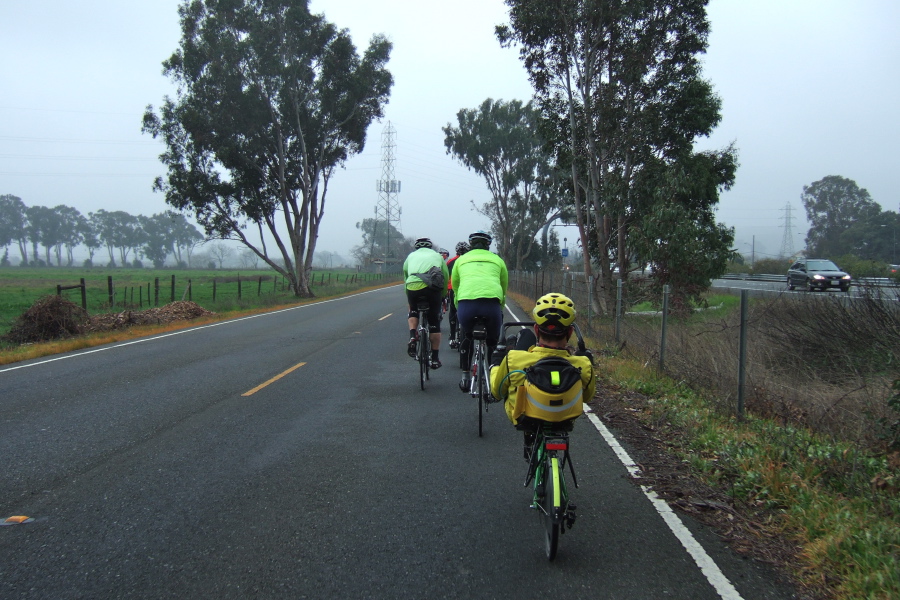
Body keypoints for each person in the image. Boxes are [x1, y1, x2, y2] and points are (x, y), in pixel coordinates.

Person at [489, 293, 595, 458]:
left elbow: (496, 392)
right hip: (564, 418)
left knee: (509, 382)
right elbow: (587, 397)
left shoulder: (514, 359)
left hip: (525, 417)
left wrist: (495, 364)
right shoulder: (583, 364)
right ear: (570, 332)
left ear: (537, 329)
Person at [451, 230, 508, 390]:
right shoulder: (498, 260)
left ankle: (465, 376)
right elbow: (503, 287)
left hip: (466, 305)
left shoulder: (461, 260)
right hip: (491, 305)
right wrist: (500, 306)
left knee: (465, 336)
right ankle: (493, 379)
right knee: (493, 341)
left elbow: (456, 286)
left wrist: (458, 304)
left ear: (471, 245)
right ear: (488, 246)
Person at [402, 237, 450, 369]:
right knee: (434, 320)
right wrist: (443, 294)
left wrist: (409, 293)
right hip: (432, 288)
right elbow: (445, 276)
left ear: (417, 247)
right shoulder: (437, 256)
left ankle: (413, 335)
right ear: (430, 247)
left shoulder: (410, 256)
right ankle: (434, 358)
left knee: (413, 310)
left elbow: (406, 276)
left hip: (412, 286)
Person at [445, 241, 468, 349]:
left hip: (453, 289)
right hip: (466, 289)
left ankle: (453, 335)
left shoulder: (451, 262)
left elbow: (446, 276)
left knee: (453, 311)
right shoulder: (469, 260)